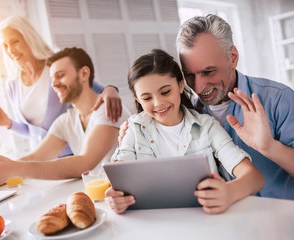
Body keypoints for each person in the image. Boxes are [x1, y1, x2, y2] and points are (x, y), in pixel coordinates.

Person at [106, 49, 264, 214]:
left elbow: (254, 178)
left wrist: (229, 192)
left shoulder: (206, 126)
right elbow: (117, 178)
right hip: (153, 224)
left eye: (165, 92)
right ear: (138, 99)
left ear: (181, 85)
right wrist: (115, 198)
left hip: (205, 222)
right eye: (147, 98)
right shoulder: (134, 129)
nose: (158, 103)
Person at [0, 47, 130, 195]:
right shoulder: (65, 121)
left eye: (60, 75)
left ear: (84, 74)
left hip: (126, 196)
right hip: (101, 197)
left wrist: (13, 169)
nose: (54, 84)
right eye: (52, 79)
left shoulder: (109, 108)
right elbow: (36, 157)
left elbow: (84, 164)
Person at [176, 14, 294, 200]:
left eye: (208, 72)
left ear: (232, 58)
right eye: (190, 75)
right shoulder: (189, 113)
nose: (198, 88)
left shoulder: (279, 99)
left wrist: (270, 147)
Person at [0, 16, 122, 155]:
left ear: (29, 38)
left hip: (76, 154)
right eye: (5, 46)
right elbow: (30, 131)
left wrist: (111, 90)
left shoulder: (55, 67)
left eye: (14, 42)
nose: (10, 50)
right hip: (42, 160)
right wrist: (7, 122)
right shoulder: (12, 84)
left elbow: (96, 87)